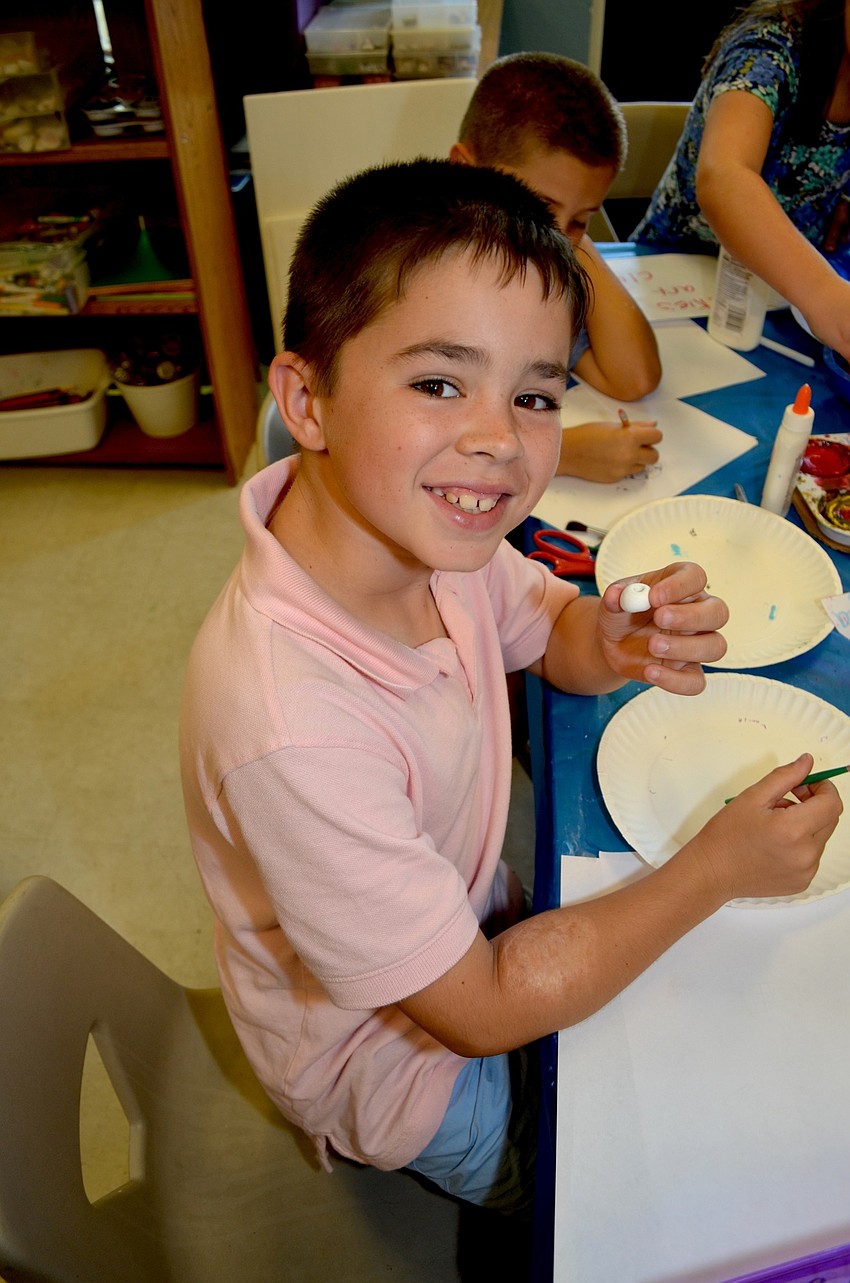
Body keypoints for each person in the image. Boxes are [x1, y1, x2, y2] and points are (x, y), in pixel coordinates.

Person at [179, 159, 841, 1242]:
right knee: (636, 1173)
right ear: (307, 400)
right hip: (396, 1063)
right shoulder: (289, 726)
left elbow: (549, 629)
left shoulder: (429, 527)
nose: (499, 439)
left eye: (534, 395)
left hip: (462, 905)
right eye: (440, 382)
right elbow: (481, 1007)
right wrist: (715, 868)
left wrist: (612, 633)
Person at [452, 51, 663, 483]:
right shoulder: (410, 278)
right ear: (463, 171)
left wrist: (574, 237)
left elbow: (634, 377)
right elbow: (385, 445)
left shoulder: (536, 277)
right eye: (540, 208)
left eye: (581, 219)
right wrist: (560, 456)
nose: (555, 238)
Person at [632, 0, 850, 362]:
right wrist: (824, 294)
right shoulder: (771, 49)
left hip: (783, 309)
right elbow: (724, 177)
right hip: (681, 289)